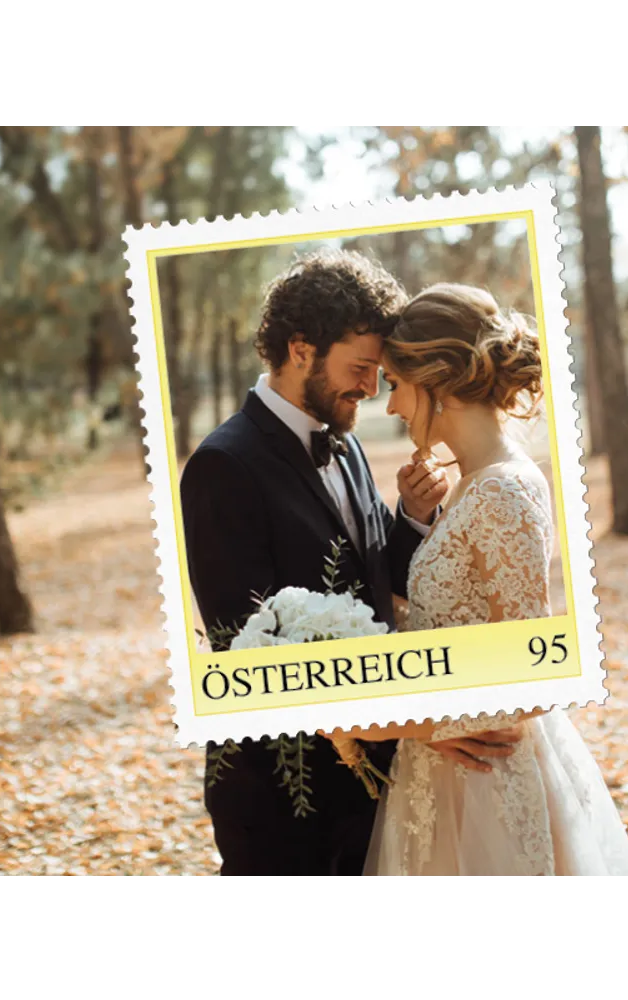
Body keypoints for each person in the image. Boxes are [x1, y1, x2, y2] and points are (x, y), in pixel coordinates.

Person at [180, 251, 524, 879]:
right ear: (300, 348)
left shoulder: (349, 448)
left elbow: (370, 587)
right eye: (361, 369)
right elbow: (251, 651)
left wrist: (412, 523)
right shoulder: (222, 466)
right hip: (285, 801)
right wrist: (419, 725)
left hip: (377, 792)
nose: (371, 389)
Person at [328, 282, 628, 878]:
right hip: (442, 780)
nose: (391, 406)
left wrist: (390, 723)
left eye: (396, 384)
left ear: (437, 379)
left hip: (485, 785)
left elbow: (532, 676)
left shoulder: (503, 490)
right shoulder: (471, 484)